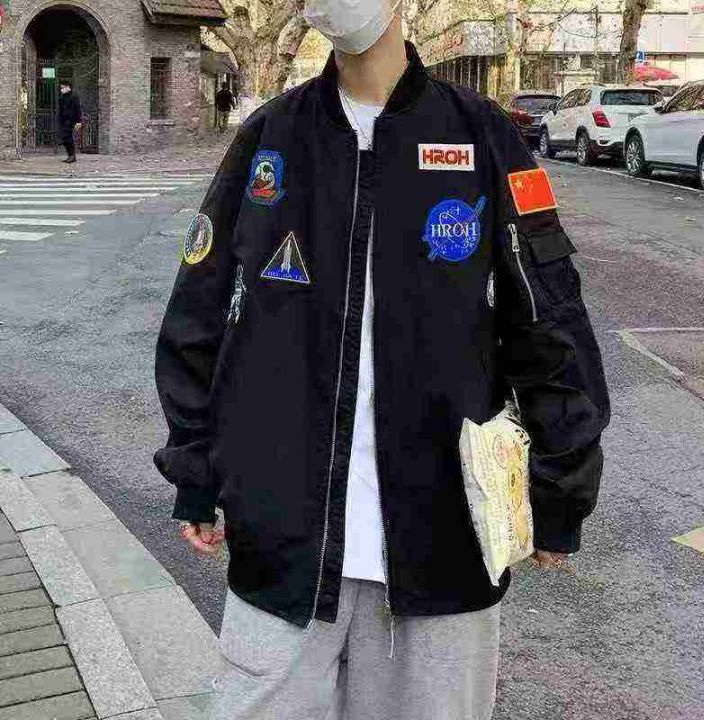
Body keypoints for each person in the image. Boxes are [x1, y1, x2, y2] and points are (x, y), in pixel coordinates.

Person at [153, 1, 611, 718]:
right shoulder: (271, 137)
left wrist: (561, 490)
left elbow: (549, 321)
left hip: (445, 552)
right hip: (283, 550)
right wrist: (196, 471)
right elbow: (199, 313)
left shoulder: (482, 136)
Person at [58, 81, 82, 163]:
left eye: (63, 88)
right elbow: (61, 109)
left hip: (71, 120)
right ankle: (70, 155)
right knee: (64, 138)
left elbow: (78, 109)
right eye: (61, 88)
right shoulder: (62, 97)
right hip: (64, 120)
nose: (62, 89)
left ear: (68, 87)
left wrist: (78, 121)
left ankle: (72, 156)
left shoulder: (74, 97)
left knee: (68, 138)